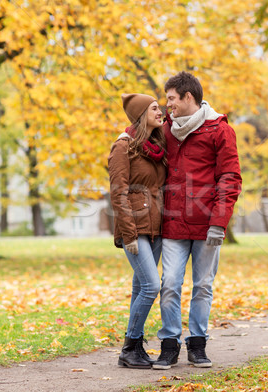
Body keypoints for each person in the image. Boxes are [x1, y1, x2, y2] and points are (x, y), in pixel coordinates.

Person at [153, 72, 242, 370]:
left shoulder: (219, 130)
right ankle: (169, 345)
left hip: (207, 226)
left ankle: (198, 344)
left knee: (203, 285)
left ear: (188, 97)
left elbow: (229, 178)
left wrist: (219, 222)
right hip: (174, 224)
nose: (168, 106)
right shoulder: (165, 131)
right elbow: (138, 132)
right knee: (169, 284)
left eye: (172, 99)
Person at [107, 93, 167, 369]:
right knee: (152, 286)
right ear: (142, 113)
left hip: (155, 228)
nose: (161, 110)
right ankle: (130, 346)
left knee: (139, 287)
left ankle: (134, 348)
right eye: (154, 107)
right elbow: (118, 192)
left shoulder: (155, 147)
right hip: (135, 228)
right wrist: (128, 234)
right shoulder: (123, 146)